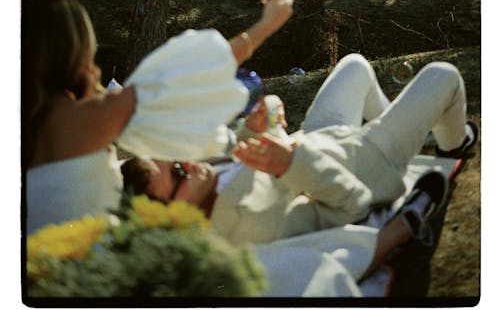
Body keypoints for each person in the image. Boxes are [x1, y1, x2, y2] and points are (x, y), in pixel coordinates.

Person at [121, 52, 478, 247]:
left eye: (175, 160)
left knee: (354, 65)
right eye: (179, 173)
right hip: (367, 162)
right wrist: (292, 163)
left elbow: (245, 159)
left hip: (322, 135)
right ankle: (452, 143)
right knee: (442, 75)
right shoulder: (250, 225)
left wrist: (257, 125)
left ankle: (409, 130)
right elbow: (353, 203)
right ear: (174, 215)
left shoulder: (206, 184)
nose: (190, 164)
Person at [23, 0, 294, 235]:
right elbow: (184, 76)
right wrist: (268, 23)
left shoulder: (34, 122)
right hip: (86, 257)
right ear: (75, 49)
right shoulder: (77, 120)